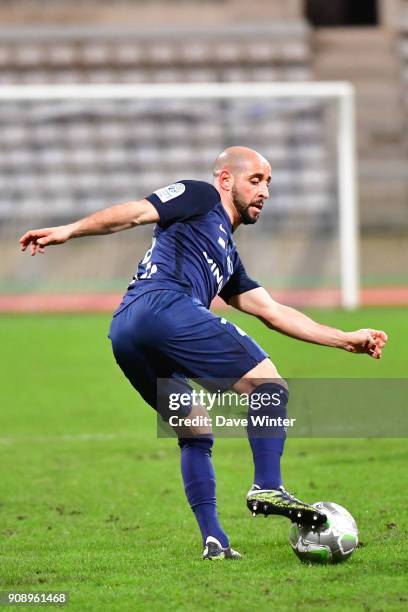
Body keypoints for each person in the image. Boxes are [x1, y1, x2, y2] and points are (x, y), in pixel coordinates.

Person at [20, 146, 387, 561]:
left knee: (195, 432)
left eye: (268, 182)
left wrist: (343, 338)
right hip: (165, 307)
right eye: (256, 180)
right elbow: (137, 212)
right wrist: (71, 230)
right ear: (226, 179)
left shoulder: (227, 259)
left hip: (127, 333)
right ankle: (268, 484)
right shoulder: (202, 197)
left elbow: (272, 311)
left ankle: (215, 541)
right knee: (269, 387)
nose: (265, 190)